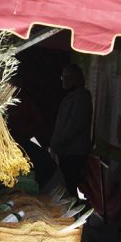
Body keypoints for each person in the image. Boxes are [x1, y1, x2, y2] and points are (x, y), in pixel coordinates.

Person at [49, 64, 93, 198]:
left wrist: (58, 143)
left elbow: (74, 124)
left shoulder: (82, 97)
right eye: (62, 77)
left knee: (70, 187)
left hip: (73, 152)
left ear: (76, 79)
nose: (63, 80)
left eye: (66, 77)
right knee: (66, 186)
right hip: (66, 151)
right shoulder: (72, 96)